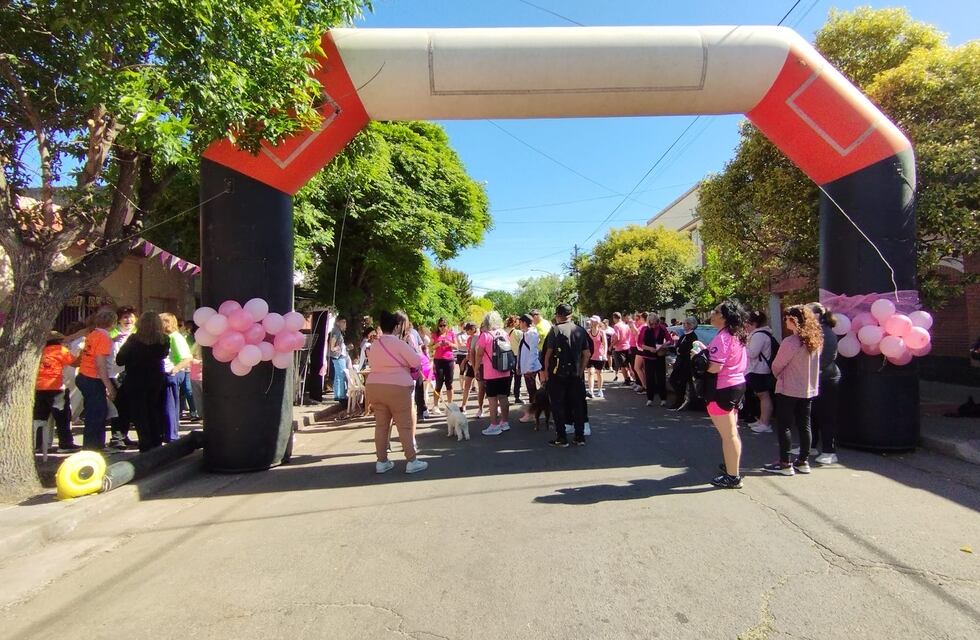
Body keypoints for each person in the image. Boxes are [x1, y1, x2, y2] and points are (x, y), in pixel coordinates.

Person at [765, 304, 823, 476]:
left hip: (788, 387)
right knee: (805, 424)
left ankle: (785, 463)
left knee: (785, 426)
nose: (785, 321)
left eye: (788, 318)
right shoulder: (815, 340)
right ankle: (803, 461)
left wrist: (778, 376)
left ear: (795, 320)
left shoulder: (791, 342)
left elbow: (777, 365)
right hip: (808, 388)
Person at [366, 310, 427, 474]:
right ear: (396, 327)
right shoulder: (400, 344)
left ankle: (382, 461)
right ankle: (412, 460)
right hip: (398, 387)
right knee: (404, 425)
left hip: (374, 386)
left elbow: (371, 363)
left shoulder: (374, 345)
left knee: (381, 426)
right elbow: (416, 361)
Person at [705, 300, 749, 489]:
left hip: (722, 388)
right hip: (737, 384)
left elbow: (715, 367)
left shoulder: (722, 337)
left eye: (715, 311)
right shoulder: (736, 334)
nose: (711, 314)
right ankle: (732, 466)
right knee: (731, 432)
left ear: (723, 316)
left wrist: (697, 359)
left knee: (729, 434)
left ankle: (733, 476)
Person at [116, 312, 170, 451]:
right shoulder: (164, 339)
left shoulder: (134, 339)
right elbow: (163, 355)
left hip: (136, 378)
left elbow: (120, 359)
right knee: (154, 409)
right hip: (156, 377)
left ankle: (145, 442)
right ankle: (156, 440)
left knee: (139, 412)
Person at [543, 303, 592, 447]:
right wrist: (580, 370)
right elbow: (587, 354)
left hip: (557, 374)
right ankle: (579, 436)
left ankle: (561, 437)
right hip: (576, 374)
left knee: (557, 406)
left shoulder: (555, 330)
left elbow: (548, 354)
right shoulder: (580, 330)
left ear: (558, 315)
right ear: (571, 315)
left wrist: (546, 373)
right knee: (577, 405)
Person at [75, 309, 118, 450]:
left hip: (84, 375)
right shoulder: (103, 338)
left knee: (95, 412)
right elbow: (100, 363)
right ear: (112, 323)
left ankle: (96, 445)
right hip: (93, 378)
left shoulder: (93, 334)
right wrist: (109, 386)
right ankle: (92, 448)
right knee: (97, 415)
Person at [33, 331, 80, 453]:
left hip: (39, 388)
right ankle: (65, 444)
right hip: (56, 387)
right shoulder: (60, 350)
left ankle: (38, 445)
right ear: (59, 340)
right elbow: (76, 363)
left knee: (40, 418)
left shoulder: (38, 351)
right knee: (62, 418)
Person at [809, 303, 841, 465]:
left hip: (826, 379)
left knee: (826, 415)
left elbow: (825, 357)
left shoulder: (826, 332)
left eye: (807, 312)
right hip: (815, 378)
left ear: (817, 315)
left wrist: (812, 371)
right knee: (812, 413)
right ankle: (812, 445)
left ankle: (829, 450)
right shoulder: (815, 331)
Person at [476, 311, 514, 436]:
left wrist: (476, 368)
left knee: (492, 399)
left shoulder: (485, 335)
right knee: (504, 397)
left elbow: (479, 353)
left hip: (491, 372)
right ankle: (505, 422)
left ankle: (494, 425)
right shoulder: (504, 333)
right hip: (505, 370)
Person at [108, 306, 139, 449]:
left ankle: (124, 435)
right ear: (119, 320)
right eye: (125, 317)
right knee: (119, 407)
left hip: (131, 375)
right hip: (115, 375)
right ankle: (116, 438)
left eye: (131, 316)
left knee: (128, 407)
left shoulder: (137, 334)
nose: (128, 320)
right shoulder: (111, 334)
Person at [745, 311, 777, 434]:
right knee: (761, 396)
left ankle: (765, 422)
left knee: (764, 396)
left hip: (758, 369)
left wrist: (743, 346)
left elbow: (752, 353)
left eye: (748, 323)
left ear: (754, 323)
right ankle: (762, 420)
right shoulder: (761, 334)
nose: (745, 326)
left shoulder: (758, 335)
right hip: (758, 369)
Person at [159, 313, 184, 442]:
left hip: (170, 374)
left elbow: (186, 357)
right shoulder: (165, 337)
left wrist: (174, 370)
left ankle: (172, 435)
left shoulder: (175, 337)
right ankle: (167, 433)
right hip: (164, 373)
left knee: (170, 406)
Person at [639, 312, 671, 407]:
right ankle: (650, 398)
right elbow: (640, 343)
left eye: (655, 323)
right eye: (651, 323)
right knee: (650, 378)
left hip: (660, 356)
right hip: (648, 356)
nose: (654, 325)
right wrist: (649, 348)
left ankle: (663, 398)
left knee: (661, 377)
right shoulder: (645, 329)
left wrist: (665, 345)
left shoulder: (662, 328)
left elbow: (670, 339)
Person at [669, 316, 699, 411]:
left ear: (692, 325)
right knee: (673, 380)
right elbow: (677, 347)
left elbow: (685, 349)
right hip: (679, 363)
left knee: (682, 383)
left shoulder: (693, 336)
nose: (685, 325)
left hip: (686, 364)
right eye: (684, 323)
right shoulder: (683, 336)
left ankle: (680, 402)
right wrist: (678, 350)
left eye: (688, 324)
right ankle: (681, 400)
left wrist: (680, 350)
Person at [516, 313, 542, 422]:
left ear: (525, 322)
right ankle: (534, 413)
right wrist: (519, 366)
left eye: (520, 322)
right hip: (526, 367)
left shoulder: (531, 334)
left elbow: (533, 352)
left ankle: (533, 413)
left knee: (533, 391)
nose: (519, 324)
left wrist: (529, 368)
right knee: (532, 391)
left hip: (530, 368)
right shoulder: (526, 334)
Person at [431, 318, 456, 410]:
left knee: (449, 383)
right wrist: (437, 345)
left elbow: (456, 345)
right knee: (438, 383)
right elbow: (430, 347)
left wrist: (449, 343)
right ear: (438, 326)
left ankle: (450, 405)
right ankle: (435, 405)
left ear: (447, 326)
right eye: (440, 325)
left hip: (449, 360)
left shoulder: (451, 334)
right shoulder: (435, 335)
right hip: (438, 361)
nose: (442, 327)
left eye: (444, 325)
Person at [458, 322, 479, 411]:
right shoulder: (470, 339)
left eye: (468, 330)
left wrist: (475, 367)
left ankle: (481, 406)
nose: (467, 332)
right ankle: (463, 405)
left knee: (481, 386)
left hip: (479, 364)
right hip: (471, 364)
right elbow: (469, 352)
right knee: (467, 385)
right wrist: (464, 361)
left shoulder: (479, 338)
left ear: (473, 329)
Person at [328, 316, 349, 404]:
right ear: (338, 322)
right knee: (341, 375)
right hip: (338, 356)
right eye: (343, 322)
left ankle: (338, 395)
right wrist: (336, 348)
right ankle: (341, 396)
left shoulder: (337, 331)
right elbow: (332, 346)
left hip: (338, 356)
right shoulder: (336, 331)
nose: (344, 324)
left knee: (338, 376)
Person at [586, 315, 608, 399]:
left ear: (597, 323)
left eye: (593, 321)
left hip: (599, 356)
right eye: (591, 321)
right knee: (591, 372)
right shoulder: (588, 332)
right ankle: (591, 391)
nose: (591, 322)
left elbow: (605, 344)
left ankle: (599, 390)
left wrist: (604, 354)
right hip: (590, 356)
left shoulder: (602, 332)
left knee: (599, 373)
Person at [506, 315, 524, 404]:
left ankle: (506, 395)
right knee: (518, 377)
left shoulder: (505, 331)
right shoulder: (517, 332)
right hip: (517, 356)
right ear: (515, 322)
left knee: (508, 377)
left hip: (508, 356)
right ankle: (517, 396)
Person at [610, 312, 633, 386]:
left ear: (614, 318)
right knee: (627, 364)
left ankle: (626, 379)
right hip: (627, 346)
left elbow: (617, 337)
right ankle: (629, 378)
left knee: (622, 365)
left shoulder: (616, 326)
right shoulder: (625, 325)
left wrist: (611, 345)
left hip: (619, 348)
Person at [530, 309, 552, 381]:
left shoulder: (538, 327)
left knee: (541, 372)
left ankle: (543, 388)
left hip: (542, 351)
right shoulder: (547, 322)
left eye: (532, 319)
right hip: (549, 350)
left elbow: (536, 340)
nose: (532, 321)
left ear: (536, 316)